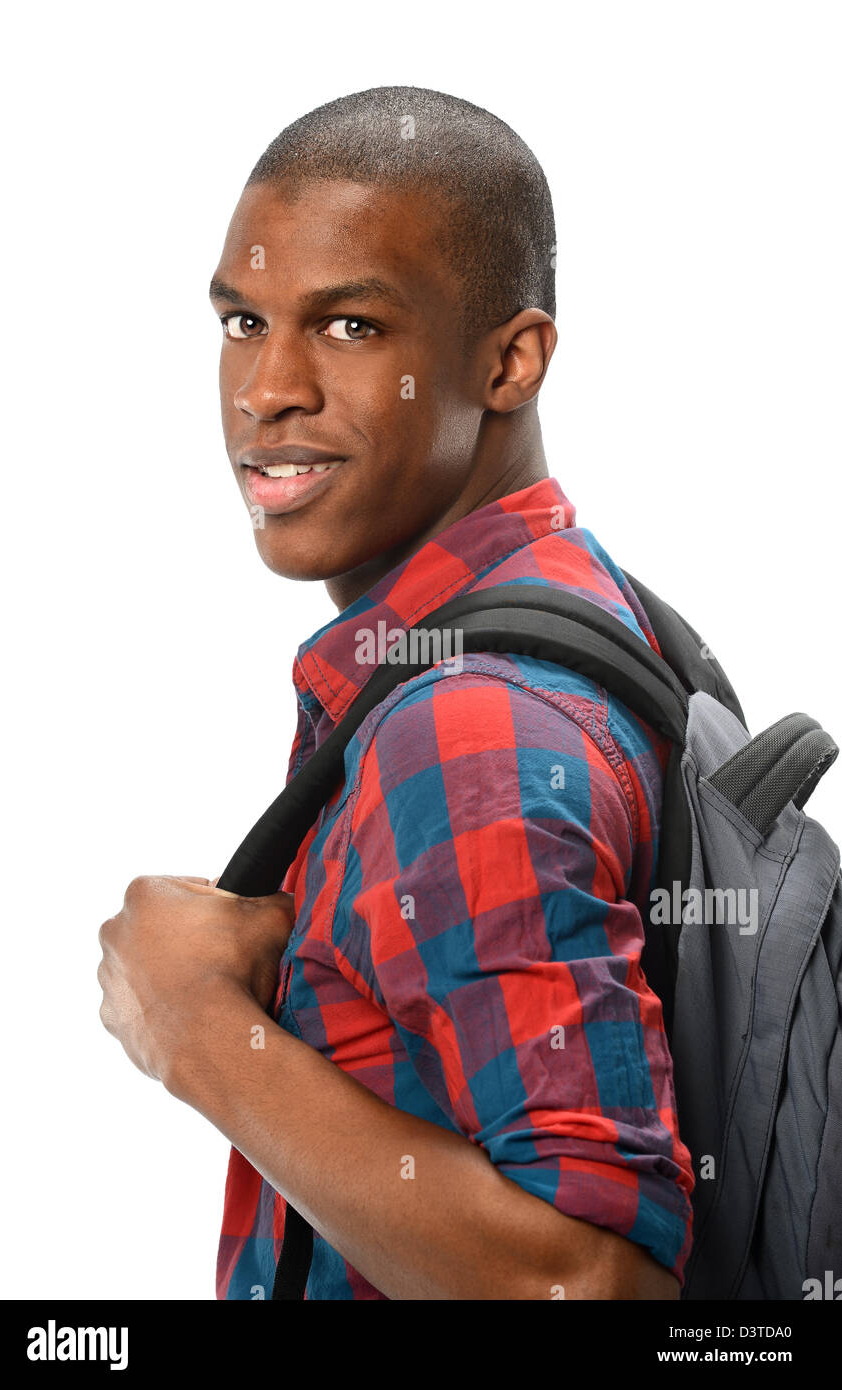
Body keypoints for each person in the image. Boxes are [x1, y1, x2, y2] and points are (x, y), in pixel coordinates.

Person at [97, 86, 695, 1300]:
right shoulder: (592, 607)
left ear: (510, 360)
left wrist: (198, 1029)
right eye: (242, 320)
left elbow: (590, 1285)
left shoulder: (468, 725)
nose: (267, 388)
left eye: (351, 327)